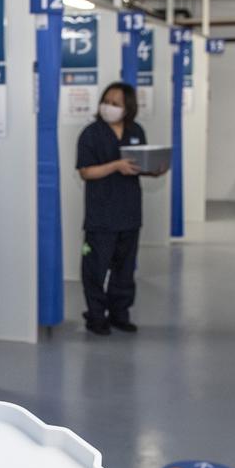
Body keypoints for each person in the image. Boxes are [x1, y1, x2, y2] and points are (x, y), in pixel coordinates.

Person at [75, 82, 154, 336]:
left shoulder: (136, 131)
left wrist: (154, 168)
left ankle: (120, 314)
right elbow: (86, 171)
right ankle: (96, 316)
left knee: (125, 269)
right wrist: (115, 165)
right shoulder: (91, 134)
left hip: (129, 213)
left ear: (128, 108)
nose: (109, 107)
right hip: (101, 215)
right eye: (106, 101)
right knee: (96, 269)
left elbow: (139, 166)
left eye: (116, 103)